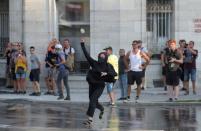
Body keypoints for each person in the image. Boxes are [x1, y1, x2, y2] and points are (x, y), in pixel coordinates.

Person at [80, 39, 117, 126]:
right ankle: (101, 108)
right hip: (92, 85)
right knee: (93, 101)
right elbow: (86, 55)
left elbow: (115, 73)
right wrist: (82, 45)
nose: (101, 57)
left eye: (103, 56)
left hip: (100, 86)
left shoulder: (108, 66)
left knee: (92, 100)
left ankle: (90, 120)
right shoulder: (94, 63)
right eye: (100, 56)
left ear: (106, 58)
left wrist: (106, 73)